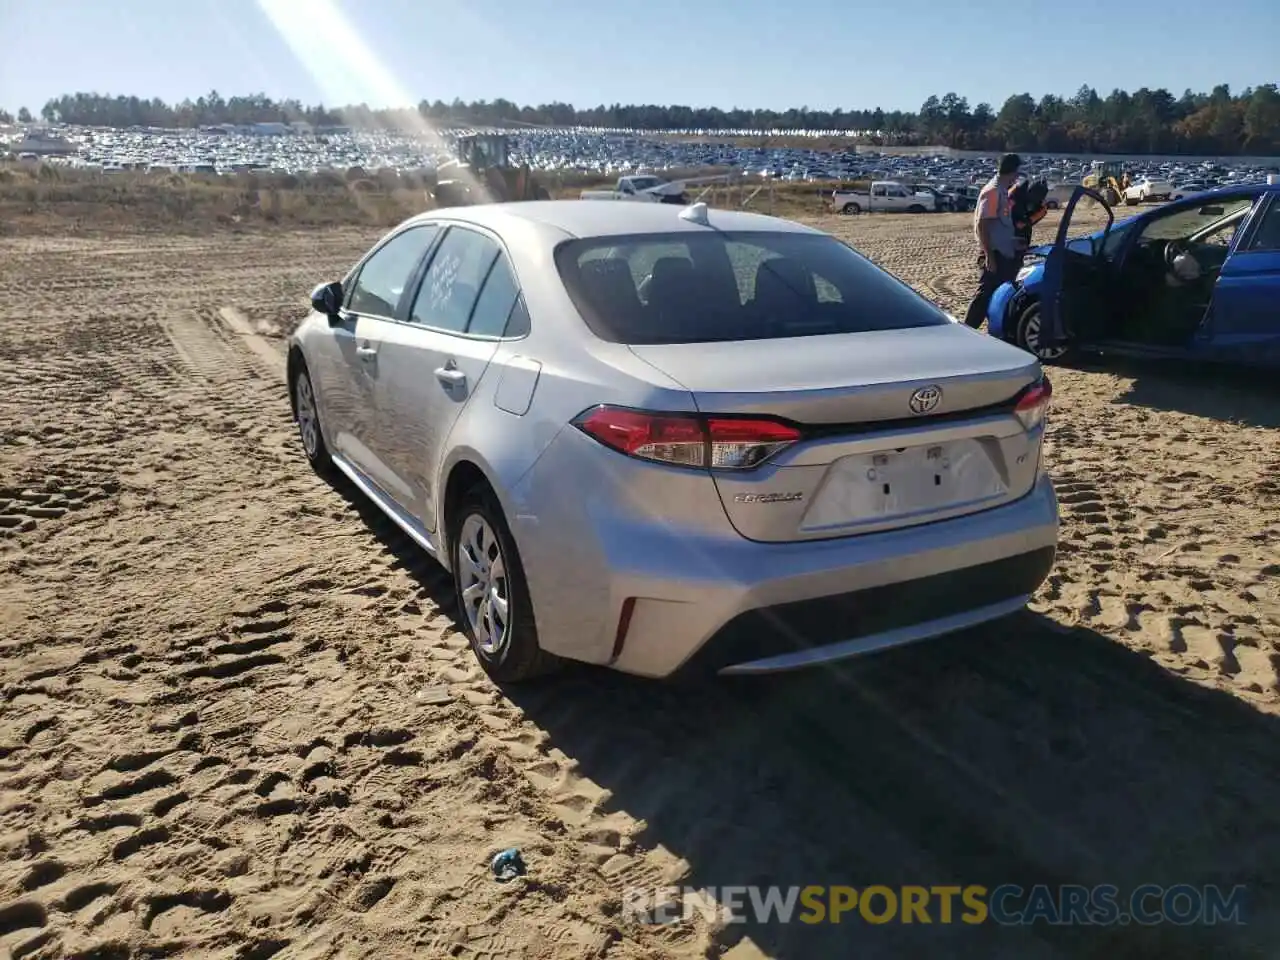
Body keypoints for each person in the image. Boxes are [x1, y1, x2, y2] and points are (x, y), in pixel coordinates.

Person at [963, 153, 1022, 329]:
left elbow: (999, 226)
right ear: (1013, 172)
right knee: (984, 296)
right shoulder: (993, 191)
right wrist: (990, 256)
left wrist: (1013, 242)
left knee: (999, 296)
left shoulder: (1003, 191)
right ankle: (967, 331)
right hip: (995, 255)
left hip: (1003, 253)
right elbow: (982, 225)